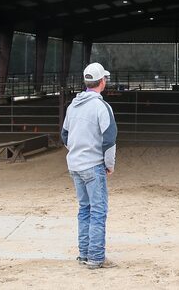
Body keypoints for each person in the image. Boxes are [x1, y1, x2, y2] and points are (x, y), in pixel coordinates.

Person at [61, 62, 118, 270]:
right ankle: (95, 257)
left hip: (75, 165)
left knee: (84, 209)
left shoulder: (73, 105)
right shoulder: (101, 107)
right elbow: (109, 139)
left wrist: (75, 152)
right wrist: (109, 165)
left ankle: (84, 253)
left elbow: (64, 135)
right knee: (98, 211)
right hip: (93, 166)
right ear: (102, 81)